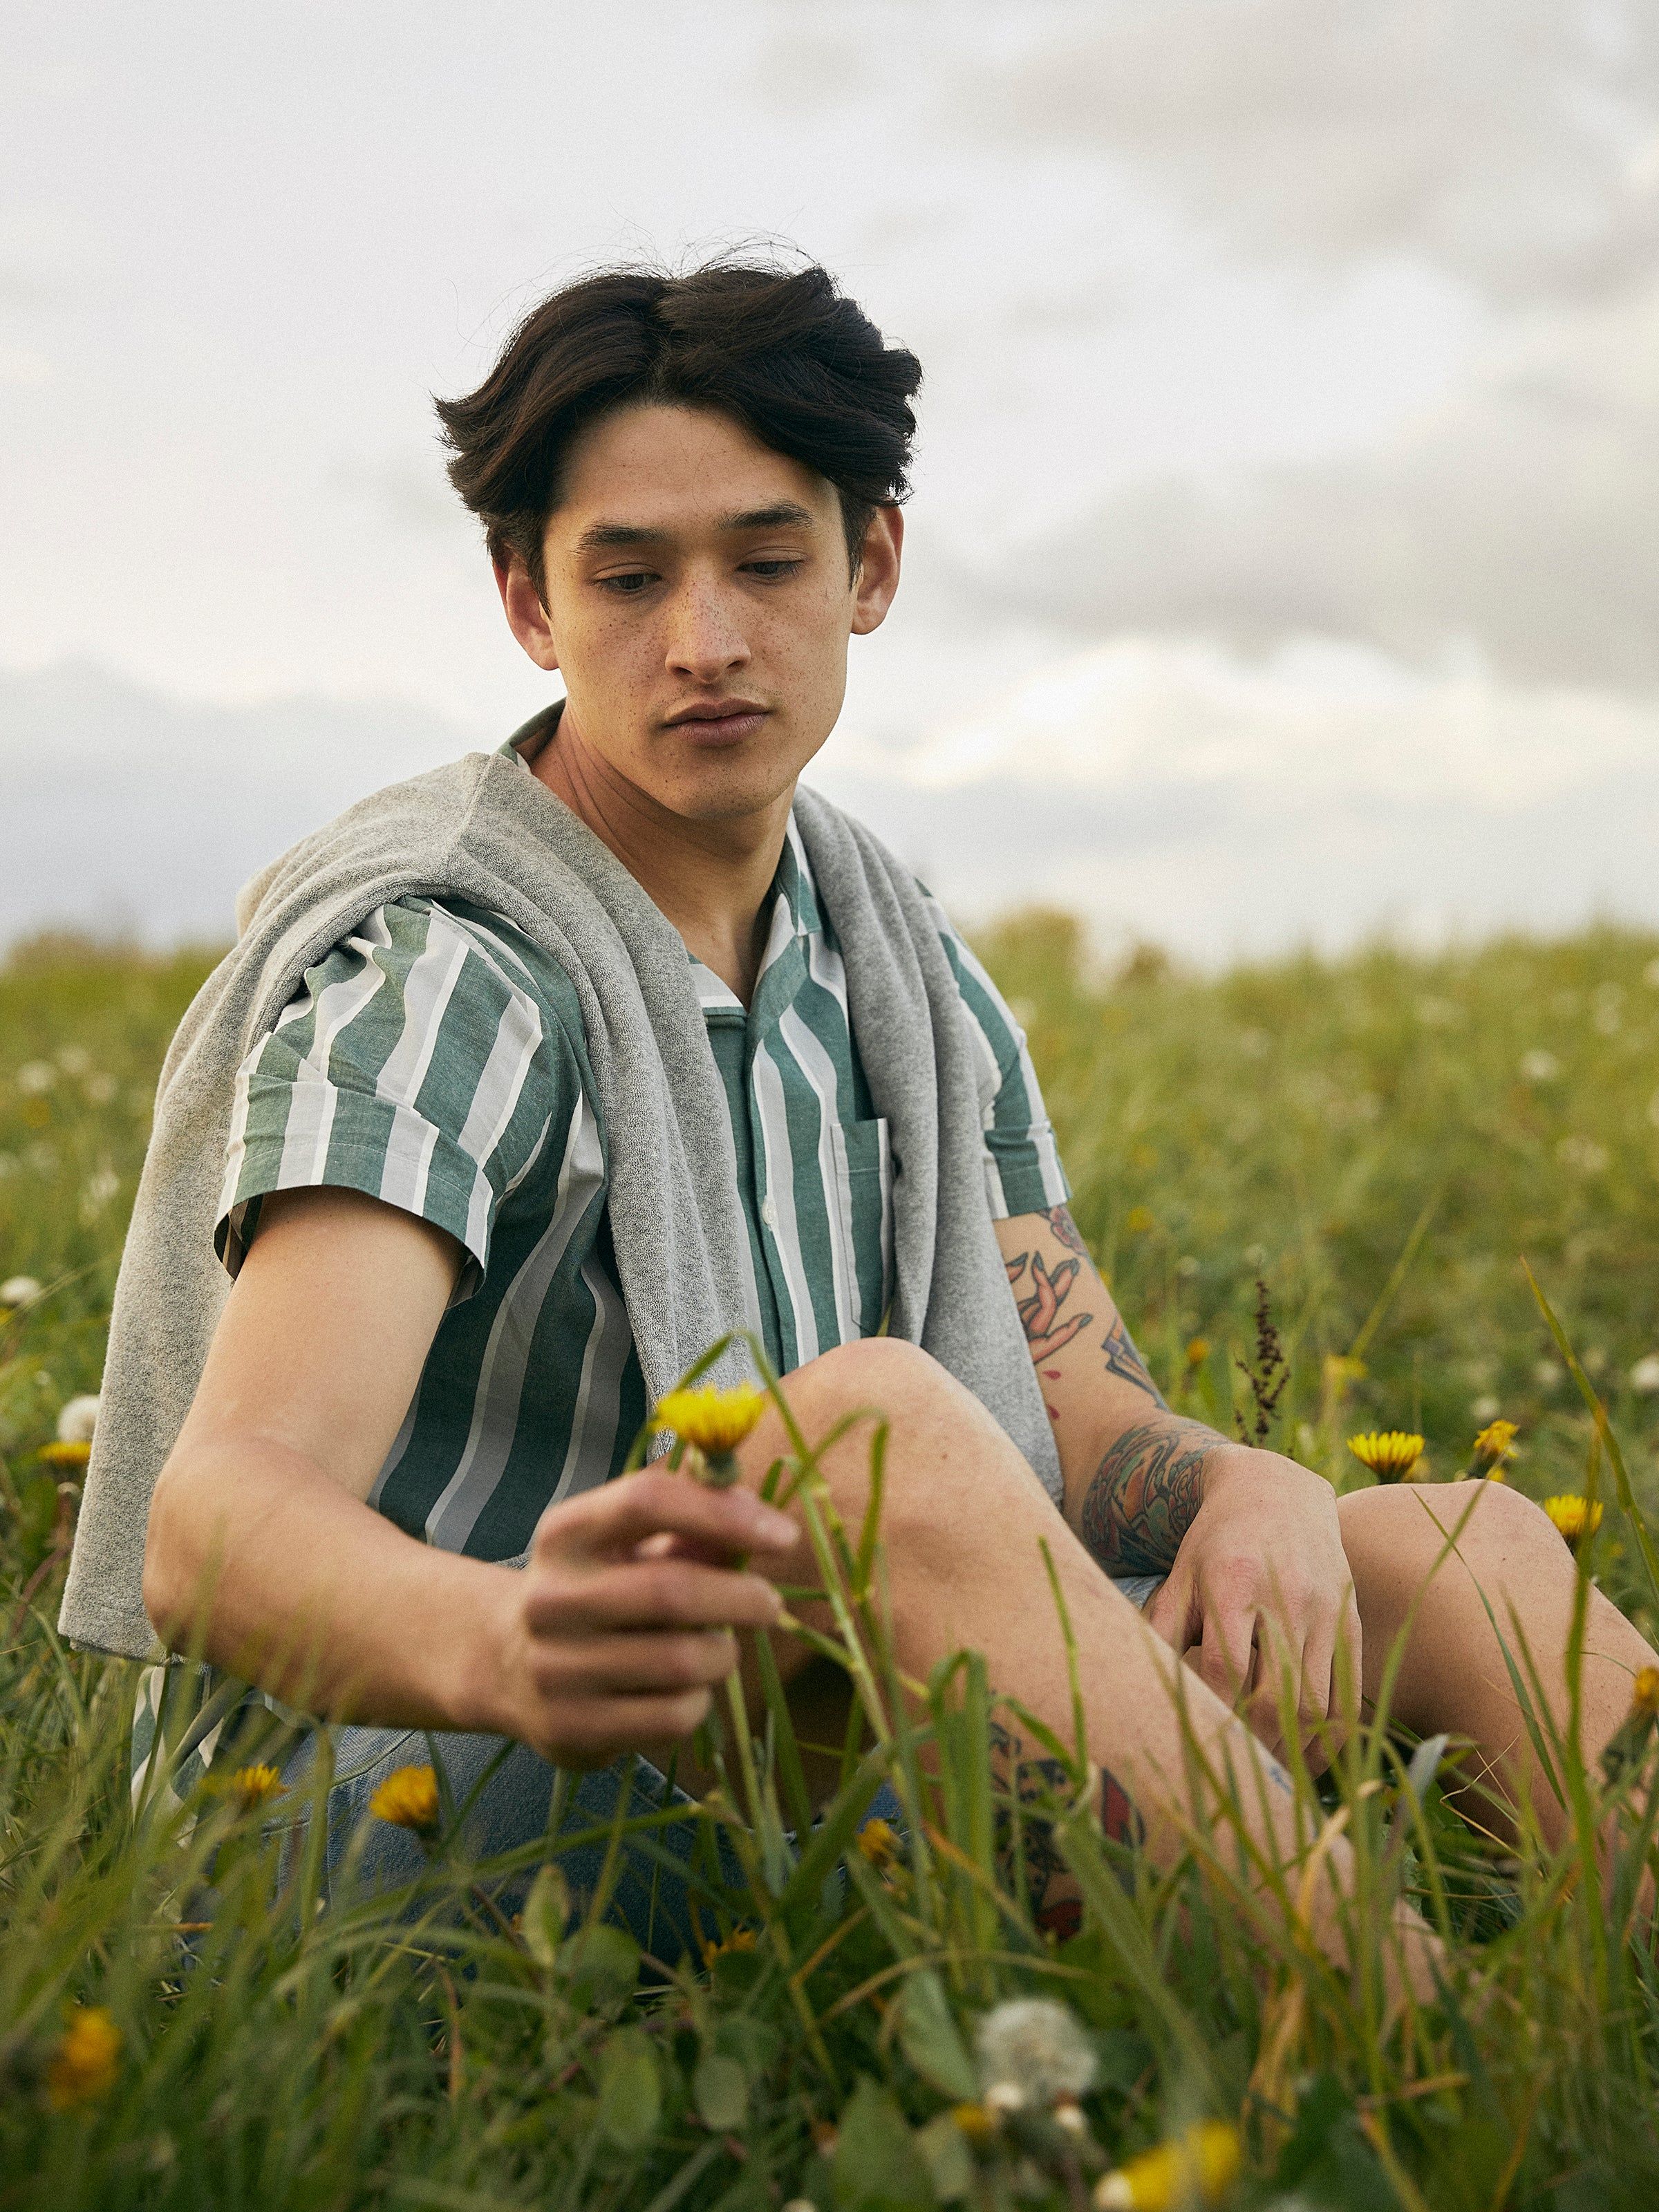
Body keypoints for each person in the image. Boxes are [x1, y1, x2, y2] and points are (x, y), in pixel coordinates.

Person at [72, 260, 1656, 1985]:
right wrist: (510, 1632)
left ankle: (1596, 2048)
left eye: (767, 560)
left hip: (773, 1746)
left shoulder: (902, 971)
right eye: (627, 576)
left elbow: (1089, 1415)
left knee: (1460, 1548)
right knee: (861, 1435)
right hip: (395, 1806)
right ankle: (1411, 2048)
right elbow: (219, 1516)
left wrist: (1244, 1479)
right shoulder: (447, 968)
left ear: (870, 567)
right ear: (528, 602)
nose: (707, 639)